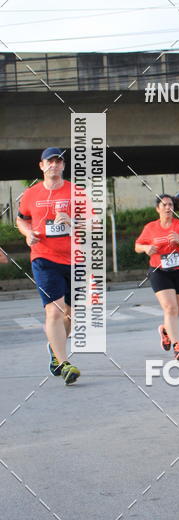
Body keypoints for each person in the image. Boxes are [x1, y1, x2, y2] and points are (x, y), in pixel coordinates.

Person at [16, 147, 82, 385]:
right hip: (44, 258)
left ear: (63, 166)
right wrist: (27, 233)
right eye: (49, 161)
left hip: (75, 259)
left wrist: (73, 222)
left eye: (58, 161)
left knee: (72, 315)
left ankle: (55, 349)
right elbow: (21, 219)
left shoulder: (76, 192)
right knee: (54, 310)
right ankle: (65, 364)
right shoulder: (31, 194)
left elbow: (93, 223)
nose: (54, 165)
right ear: (42, 166)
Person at [134, 195, 179, 361]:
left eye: (170, 204)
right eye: (164, 205)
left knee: (175, 311)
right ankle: (177, 347)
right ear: (158, 209)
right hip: (159, 271)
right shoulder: (150, 227)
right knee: (170, 308)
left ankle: (165, 330)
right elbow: (137, 246)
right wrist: (146, 248)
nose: (168, 207)